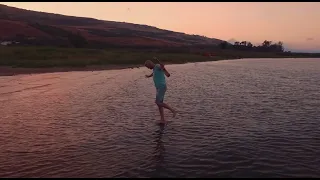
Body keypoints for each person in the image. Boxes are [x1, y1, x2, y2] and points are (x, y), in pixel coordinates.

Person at [145, 58, 177, 124]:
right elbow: (154, 73)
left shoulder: (157, 66)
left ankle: (173, 110)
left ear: (150, 64)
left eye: (148, 67)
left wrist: (162, 66)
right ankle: (162, 119)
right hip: (159, 88)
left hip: (161, 87)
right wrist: (149, 76)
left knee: (157, 102)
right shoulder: (154, 68)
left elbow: (161, 67)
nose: (148, 68)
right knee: (159, 104)